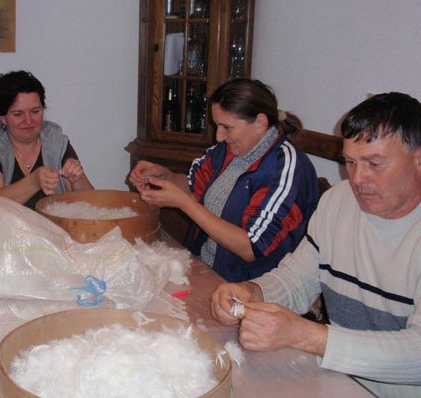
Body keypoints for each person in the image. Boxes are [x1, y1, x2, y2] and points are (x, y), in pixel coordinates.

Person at [210, 92, 421, 397]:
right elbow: (296, 281)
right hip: (339, 381)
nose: (358, 179)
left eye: (374, 163)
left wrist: (309, 336)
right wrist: (251, 292)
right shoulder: (337, 201)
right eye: (350, 162)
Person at [129, 79, 318, 281]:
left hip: (252, 284)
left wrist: (185, 204)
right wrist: (164, 176)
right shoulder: (228, 149)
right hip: (208, 267)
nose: (219, 136)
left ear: (260, 123)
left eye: (226, 127)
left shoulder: (286, 168)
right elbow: (194, 186)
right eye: (217, 125)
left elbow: (251, 247)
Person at [0, 70, 94, 208]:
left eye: (35, 111)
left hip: (51, 221)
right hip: (8, 222)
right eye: (18, 114)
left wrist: (77, 180)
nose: (28, 121)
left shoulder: (56, 141)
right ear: (2, 117)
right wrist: (33, 182)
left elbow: (92, 205)